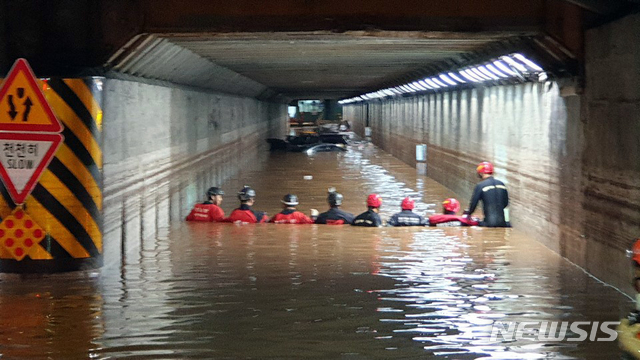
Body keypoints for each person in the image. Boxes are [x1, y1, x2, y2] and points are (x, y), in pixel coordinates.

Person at [464, 161, 510, 227]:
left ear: (481, 172)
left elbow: (473, 205)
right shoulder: (502, 184)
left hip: (488, 224)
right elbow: (506, 203)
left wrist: (468, 214)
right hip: (503, 224)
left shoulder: (480, 186)